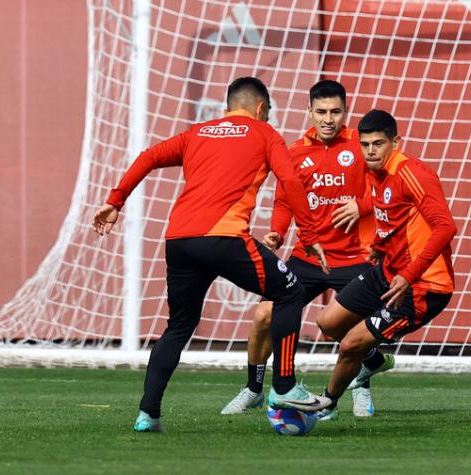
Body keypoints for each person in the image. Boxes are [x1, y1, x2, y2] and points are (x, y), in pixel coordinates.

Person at [93, 77, 333, 433]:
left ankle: (148, 415)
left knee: (178, 327)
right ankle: (284, 386)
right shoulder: (265, 133)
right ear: (260, 108)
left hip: (179, 241)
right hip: (222, 238)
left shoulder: (198, 133)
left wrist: (115, 201)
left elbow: (148, 157)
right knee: (291, 291)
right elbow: (291, 182)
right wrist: (311, 234)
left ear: (227, 108)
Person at [220, 80, 378, 418]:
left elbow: (386, 189)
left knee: (351, 329)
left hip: (354, 257)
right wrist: (276, 234)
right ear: (310, 112)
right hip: (308, 256)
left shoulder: (361, 146)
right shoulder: (294, 151)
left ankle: (360, 385)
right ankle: (253, 389)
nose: (328, 119)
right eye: (321, 111)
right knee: (264, 314)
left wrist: (361, 206)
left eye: (335, 111)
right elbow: (284, 200)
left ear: (346, 112)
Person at [315, 109, 457, 419]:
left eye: (378, 144)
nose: (370, 151)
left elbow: (445, 227)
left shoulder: (413, 172)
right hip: (390, 271)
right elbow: (391, 210)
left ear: (396, 142)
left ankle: (327, 403)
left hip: (423, 286)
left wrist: (408, 274)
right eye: (365, 145)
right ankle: (374, 361)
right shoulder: (375, 172)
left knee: (351, 343)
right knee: (328, 323)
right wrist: (380, 247)